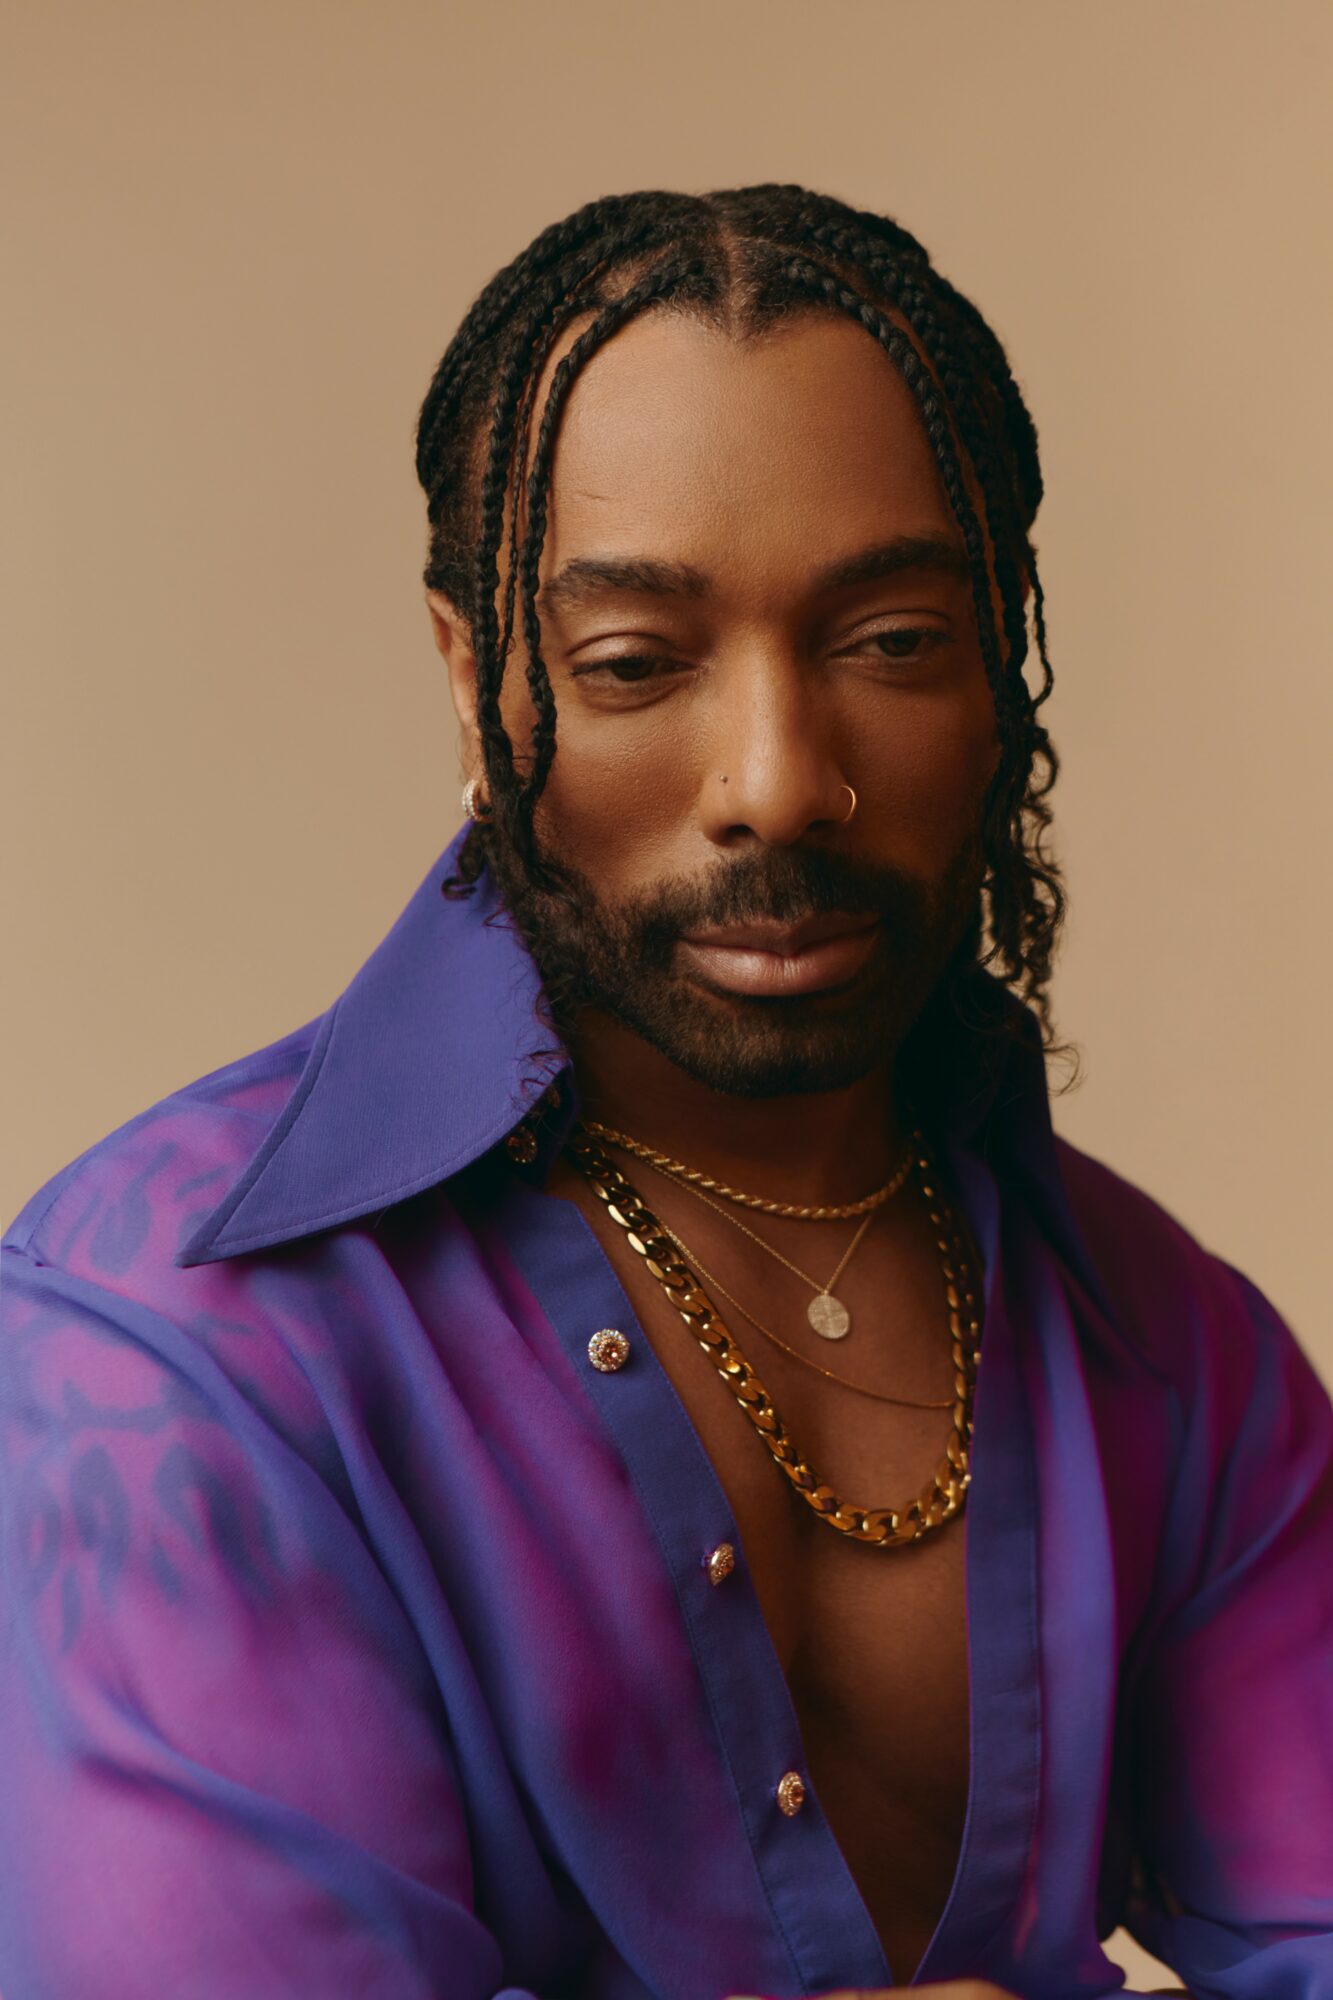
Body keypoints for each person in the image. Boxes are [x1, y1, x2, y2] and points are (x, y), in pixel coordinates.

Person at [1, 184, 1328, 2000]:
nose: (778, 782)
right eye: (633, 665)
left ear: (1003, 661)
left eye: (892, 643)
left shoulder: (1178, 1352)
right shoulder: (168, 1353)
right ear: (476, 684)